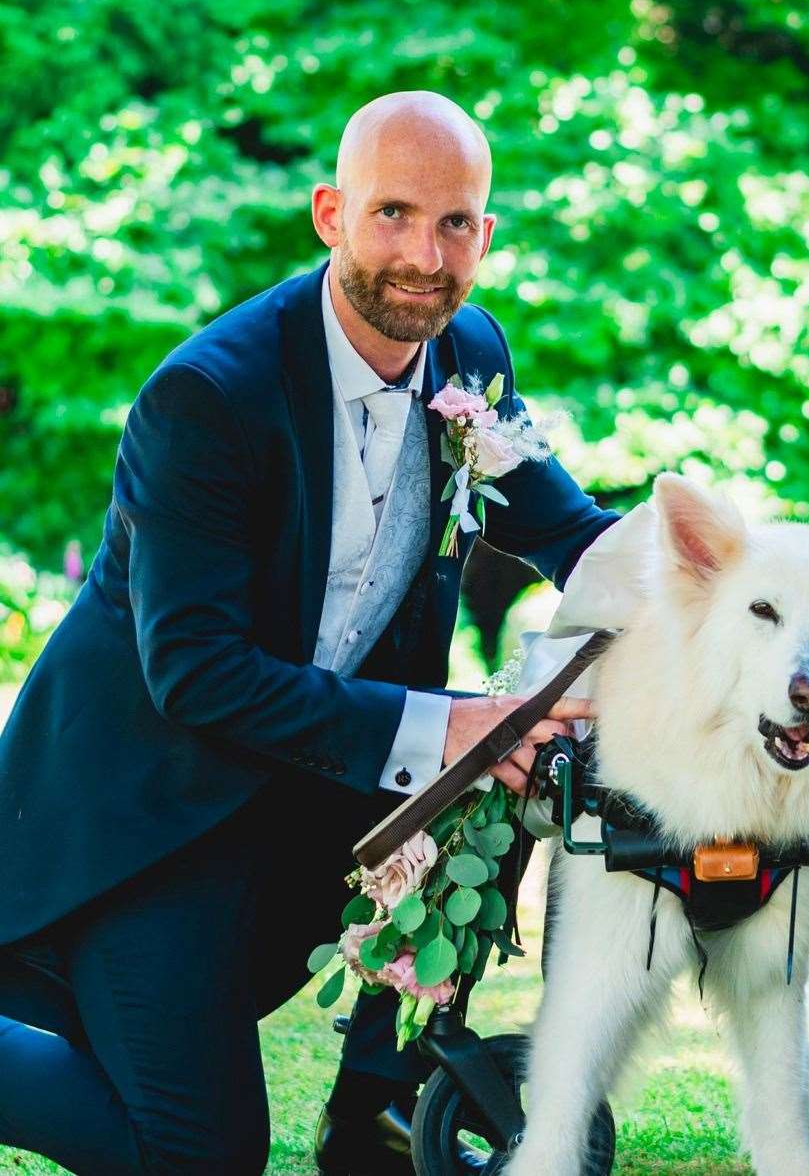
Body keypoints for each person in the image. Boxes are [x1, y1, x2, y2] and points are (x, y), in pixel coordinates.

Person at [0, 92, 617, 1174]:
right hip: (152, 818)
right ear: (330, 214)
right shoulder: (207, 396)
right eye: (392, 215)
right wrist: (452, 720)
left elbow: (571, 532)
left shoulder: (468, 350)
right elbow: (193, 676)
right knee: (200, 1158)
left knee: (499, 772)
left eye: (456, 223)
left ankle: (375, 1122)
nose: (425, 255)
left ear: (487, 233)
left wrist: (762, 596)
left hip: (308, 784)